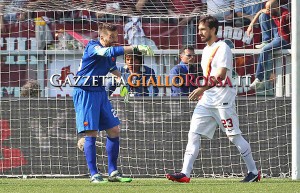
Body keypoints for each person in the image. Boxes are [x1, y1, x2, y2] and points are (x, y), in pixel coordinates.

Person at [166, 15, 260, 183]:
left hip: (223, 100)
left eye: (203, 29)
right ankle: (185, 173)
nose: (199, 33)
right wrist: (203, 91)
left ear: (213, 30)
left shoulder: (222, 47)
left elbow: (221, 75)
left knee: (234, 136)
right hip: (207, 99)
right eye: (199, 29)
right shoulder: (206, 50)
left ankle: (253, 172)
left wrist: (201, 88)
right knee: (193, 133)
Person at [73, 22, 153, 183]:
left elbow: (112, 68)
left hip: (100, 92)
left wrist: (122, 81)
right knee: (91, 133)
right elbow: (106, 51)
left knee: (114, 130)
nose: (115, 39)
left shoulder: (110, 53)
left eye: (116, 36)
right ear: (101, 37)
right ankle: (94, 174)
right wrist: (135, 48)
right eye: (111, 37)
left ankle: (113, 172)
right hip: (85, 91)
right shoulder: (93, 46)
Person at [247, 0, 290, 90]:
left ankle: (259, 78)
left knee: (265, 50)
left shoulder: (286, 14)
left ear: (276, 7)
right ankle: (266, 40)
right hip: (276, 36)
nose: (267, 11)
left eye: (269, 9)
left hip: (284, 39)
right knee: (262, 15)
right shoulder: (273, 12)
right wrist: (251, 25)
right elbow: (260, 12)